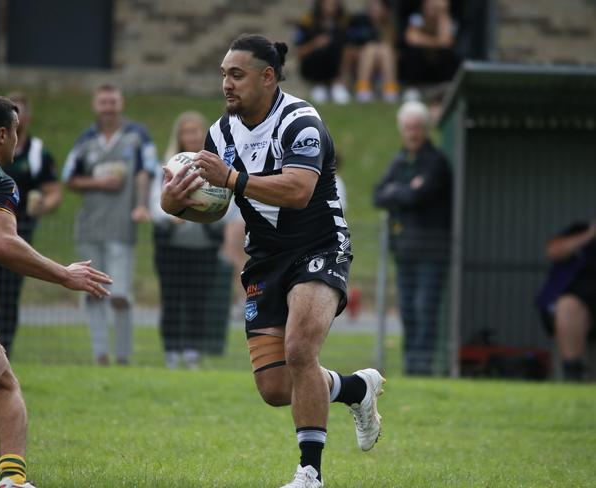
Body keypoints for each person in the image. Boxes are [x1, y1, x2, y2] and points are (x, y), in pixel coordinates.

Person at [161, 34, 385, 488]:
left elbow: (299, 190)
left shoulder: (300, 121)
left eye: (236, 75)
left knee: (300, 350)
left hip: (320, 246)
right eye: (224, 74)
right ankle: (355, 389)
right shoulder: (220, 133)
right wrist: (176, 204)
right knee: (276, 388)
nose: (227, 84)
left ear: (268, 77)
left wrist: (235, 178)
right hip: (265, 258)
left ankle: (309, 474)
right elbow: (219, 204)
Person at [0, 94, 111, 488]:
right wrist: (64, 275)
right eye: (15, 132)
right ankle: (13, 480)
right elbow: (1, 244)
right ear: (2, 135)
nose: (17, 139)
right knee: (3, 386)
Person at [62, 83, 157, 366]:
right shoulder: (85, 140)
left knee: (120, 295)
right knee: (92, 293)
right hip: (90, 227)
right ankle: (100, 354)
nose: (108, 107)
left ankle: (124, 355)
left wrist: (141, 205)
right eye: (103, 102)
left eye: (112, 101)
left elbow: (146, 172)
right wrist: (97, 182)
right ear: (95, 105)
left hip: (121, 226)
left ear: (121, 103)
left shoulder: (137, 136)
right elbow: (69, 177)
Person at [0, 91, 62, 359]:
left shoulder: (39, 152)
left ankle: (3, 348)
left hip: (17, 232)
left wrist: (45, 204)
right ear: (2, 131)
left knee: (8, 296)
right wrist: (65, 275)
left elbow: (54, 191)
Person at [373, 100, 451, 376]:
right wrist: (404, 190)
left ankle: (421, 367)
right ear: (401, 130)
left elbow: (421, 194)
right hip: (404, 251)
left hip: (432, 251)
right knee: (406, 309)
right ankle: (411, 365)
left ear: (425, 129)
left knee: (425, 308)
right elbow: (378, 195)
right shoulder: (400, 160)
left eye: (417, 128)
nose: (413, 134)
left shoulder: (436, 162)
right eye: (408, 128)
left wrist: (399, 192)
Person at [150, 111, 227, 369]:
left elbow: (227, 203)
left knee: (198, 300)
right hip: (171, 247)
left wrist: (208, 214)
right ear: (179, 136)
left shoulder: (217, 167)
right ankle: (171, 351)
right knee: (171, 299)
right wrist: (174, 214)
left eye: (197, 131)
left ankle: (193, 352)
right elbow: (156, 204)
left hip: (203, 247)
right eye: (187, 131)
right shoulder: (168, 165)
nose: (192, 136)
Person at [536, 221, 596, 381]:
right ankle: (573, 373)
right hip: (580, 303)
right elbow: (553, 251)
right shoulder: (580, 231)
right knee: (567, 306)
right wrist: (591, 234)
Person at [294, 0, 353, 105]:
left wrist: (342, 76)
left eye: (334, 4)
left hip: (336, 69)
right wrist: (315, 44)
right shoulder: (308, 21)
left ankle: (337, 85)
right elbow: (299, 52)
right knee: (321, 50)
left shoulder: (343, 22)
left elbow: (348, 49)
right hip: (313, 67)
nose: (330, 8)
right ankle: (319, 86)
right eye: (328, 4)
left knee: (337, 46)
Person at [346, 0, 400, 103]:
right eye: (373, 9)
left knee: (384, 49)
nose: (375, 12)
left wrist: (380, 26)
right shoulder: (359, 21)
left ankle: (390, 89)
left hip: (383, 59)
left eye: (378, 9)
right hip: (361, 58)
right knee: (370, 48)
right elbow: (350, 45)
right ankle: (363, 89)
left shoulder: (391, 25)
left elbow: (393, 47)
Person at [399, 0, 459, 85]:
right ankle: (412, 86)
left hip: (439, 62)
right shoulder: (417, 18)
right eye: (429, 5)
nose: (431, 8)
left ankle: (445, 85)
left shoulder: (447, 20)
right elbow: (411, 38)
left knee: (448, 54)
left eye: (434, 6)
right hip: (421, 61)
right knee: (413, 52)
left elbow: (447, 41)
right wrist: (436, 42)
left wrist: (443, 13)